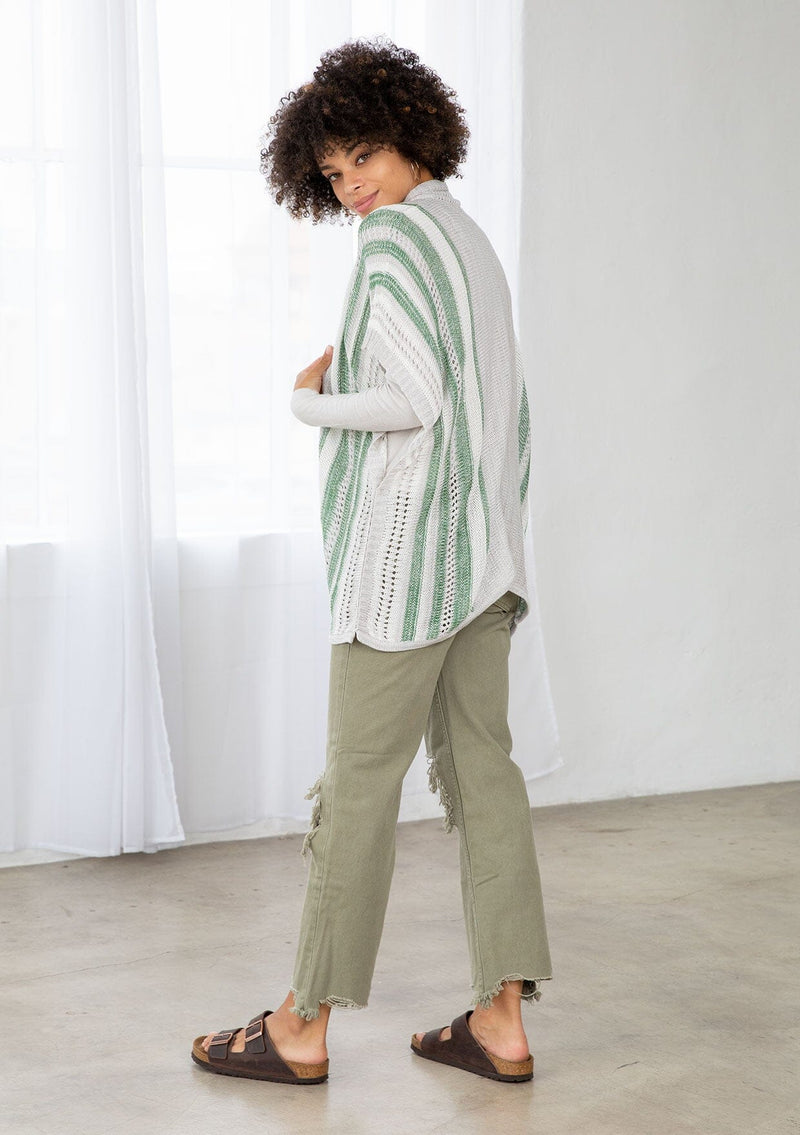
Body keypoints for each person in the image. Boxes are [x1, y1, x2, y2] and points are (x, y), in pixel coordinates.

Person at [190, 34, 552, 1086]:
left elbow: (411, 401)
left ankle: (299, 1022)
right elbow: (501, 408)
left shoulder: (393, 240)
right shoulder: (467, 240)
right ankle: (501, 1020)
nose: (352, 186)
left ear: (407, 134)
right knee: (485, 776)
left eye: (362, 156)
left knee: (354, 786)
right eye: (333, 170)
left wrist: (308, 402)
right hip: (485, 559)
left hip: (407, 571)